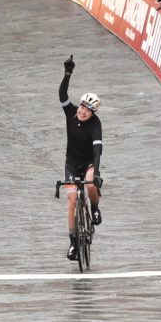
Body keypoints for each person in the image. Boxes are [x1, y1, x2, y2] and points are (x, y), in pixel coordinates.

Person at [59, 55, 103, 261]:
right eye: (83, 108)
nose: (84, 112)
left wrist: (97, 172)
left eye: (88, 111)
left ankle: (94, 209)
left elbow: (97, 150)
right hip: (71, 163)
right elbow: (62, 94)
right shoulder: (71, 113)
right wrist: (68, 74)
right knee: (72, 200)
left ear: (93, 114)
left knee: (91, 186)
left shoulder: (95, 124)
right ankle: (73, 244)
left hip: (88, 163)